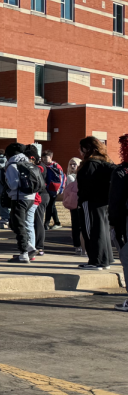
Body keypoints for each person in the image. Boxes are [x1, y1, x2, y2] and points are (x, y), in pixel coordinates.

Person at [75, 136, 114, 270]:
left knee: (90, 231)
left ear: (86, 148)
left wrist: (81, 200)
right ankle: (105, 260)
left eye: (81, 147)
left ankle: (95, 261)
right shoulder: (106, 162)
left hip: (89, 202)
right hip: (103, 203)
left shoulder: (90, 163)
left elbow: (85, 185)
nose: (79, 150)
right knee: (102, 231)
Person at [3, 142, 38, 264]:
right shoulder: (28, 161)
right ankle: (28, 247)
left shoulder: (13, 165)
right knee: (14, 223)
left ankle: (24, 253)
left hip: (19, 198)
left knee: (19, 225)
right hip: (31, 198)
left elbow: (13, 184)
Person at [110, 134, 128, 312]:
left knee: (127, 257)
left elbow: (115, 200)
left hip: (125, 220)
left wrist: (113, 223)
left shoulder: (122, 171)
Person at [64, 157, 83, 255]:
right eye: (70, 164)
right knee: (76, 224)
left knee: (79, 224)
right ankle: (77, 245)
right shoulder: (71, 177)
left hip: (80, 202)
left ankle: (80, 245)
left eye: (74, 164)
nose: (72, 166)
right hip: (75, 202)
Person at [42, 149, 64, 229]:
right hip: (46, 188)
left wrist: (60, 189)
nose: (44, 159)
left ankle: (46, 223)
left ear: (51, 157)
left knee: (50, 206)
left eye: (46, 158)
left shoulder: (55, 166)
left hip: (53, 189)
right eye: (43, 158)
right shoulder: (44, 166)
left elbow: (61, 178)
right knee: (51, 206)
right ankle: (57, 222)